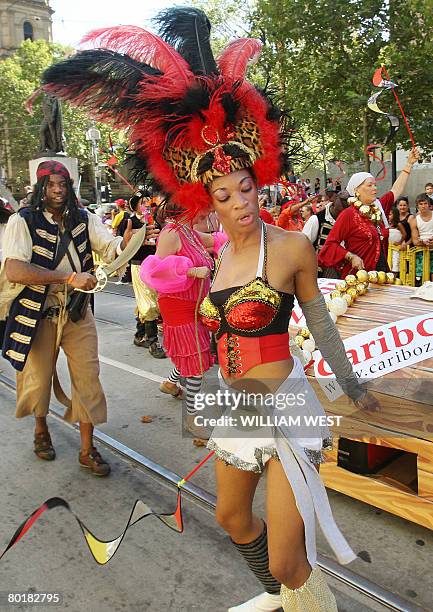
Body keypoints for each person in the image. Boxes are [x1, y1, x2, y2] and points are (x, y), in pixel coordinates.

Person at [40, 9, 378, 608]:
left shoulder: (292, 246)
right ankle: (289, 600)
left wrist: (349, 384)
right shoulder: (216, 262)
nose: (239, 200)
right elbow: (208, 339)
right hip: (234, 404)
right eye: (224, 194)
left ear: (259, 179)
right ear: (207, 200)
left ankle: (302, 597)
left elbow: (318, 320)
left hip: (287, 406)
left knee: (285, 555)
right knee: (231, 517)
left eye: (245, 186)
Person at [0, 160, 138, 476]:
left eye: (62, 184)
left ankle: (88, 449)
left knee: (88, 378)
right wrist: (68, 278)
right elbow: (14, 270)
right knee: (37, 378)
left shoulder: (84, 217)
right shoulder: (23, 221)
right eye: (50, 185)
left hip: (77, 312)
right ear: (40, 187)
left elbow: (110, 249)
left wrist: (126, 242)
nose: (58, 190)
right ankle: (40, 430)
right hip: (38, 312)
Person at [140, 203, 224, 439]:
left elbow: (217, 240)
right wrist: (190, 271)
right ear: (190, 206)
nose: (207, 210)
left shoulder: (189, 232)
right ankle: (192, 420)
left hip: (196, 305)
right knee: (196, 360)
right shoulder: (171, 232)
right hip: (179, 306)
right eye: (204, 205)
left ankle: (170, 383)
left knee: (192, 352)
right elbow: (154, 272)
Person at [319, 151, 419, 276]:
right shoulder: (349, 214)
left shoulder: (379, 208)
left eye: (375, 185)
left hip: (380, 275)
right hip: (357, 277)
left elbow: (396, 190)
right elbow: (330, 245)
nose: (375, 188)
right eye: (370, 185)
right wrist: (351, 257)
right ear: (356, 190)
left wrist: (409, 164)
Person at [117, 190, 165, 357]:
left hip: (155, 265)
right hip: (139, 265)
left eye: (147, 202)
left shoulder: (156, 221)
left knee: (150, 300)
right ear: (135, 205)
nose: (146, 206)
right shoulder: (129, 222)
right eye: (142, 202)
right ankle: (153, 342)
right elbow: (121, 243)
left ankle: (139, 335)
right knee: (148, 303)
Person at [410, 194, 433, 281]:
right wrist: (423, 242)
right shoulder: (414, 221)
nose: (423, 206)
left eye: (425, 203)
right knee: (421, 278)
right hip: (421, 251)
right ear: (417, 206)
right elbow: (415, 241)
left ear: (429, 205)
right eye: (421, 204)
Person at [388, 206, 407, 274]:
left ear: (395, 215)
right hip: (388, 247)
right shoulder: (386, 224)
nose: (388, 216)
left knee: (395, 263)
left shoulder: (398, 224)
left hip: (395, 247)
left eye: (390, 214)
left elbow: (404, 234)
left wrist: (399, 242)